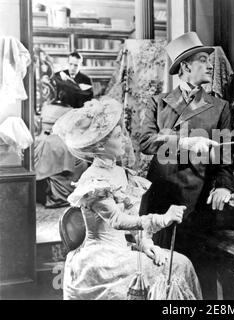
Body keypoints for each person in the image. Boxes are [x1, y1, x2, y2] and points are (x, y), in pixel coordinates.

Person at [53, 98, 202, 300]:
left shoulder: (123, 174)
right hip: (100, 259)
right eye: (118, 135)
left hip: (123, 251)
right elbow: (117, 220)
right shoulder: (94, 180)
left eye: (123, 133)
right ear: (99, 146)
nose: (125, 138)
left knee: (180, 262)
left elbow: (134, 221)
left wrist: (148, 246)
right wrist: (162, 219)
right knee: (175, 266)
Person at [139, 32, 234, 249]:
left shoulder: (220, 107)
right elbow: (145, 142)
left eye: (209, 61)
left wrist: (224, 186)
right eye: (203, 60)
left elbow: (225, 154)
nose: (210, 66)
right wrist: (183, 142)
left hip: (196, 198)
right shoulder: (158, 103)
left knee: (191, 264)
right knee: (157, 261)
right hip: (161, 194)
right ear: (185, 67)